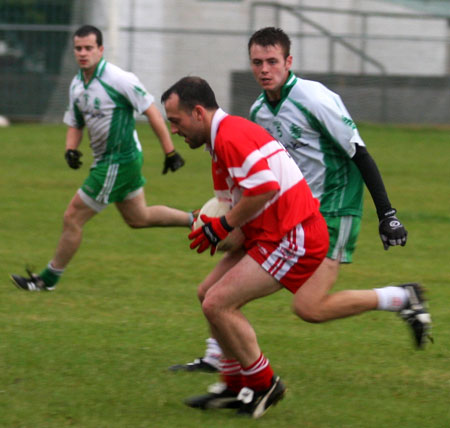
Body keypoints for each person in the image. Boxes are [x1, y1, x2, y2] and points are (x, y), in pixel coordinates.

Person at [161, 76, 430, 418]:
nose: (174, 130)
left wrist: (223, 226)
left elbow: (265, 190)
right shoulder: (220, 142)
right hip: (271, 230)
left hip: (294, 234)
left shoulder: (231, 136)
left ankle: (263, 385)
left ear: (198, 113)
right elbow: (234, 206)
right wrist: (217, 229)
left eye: (175, 121)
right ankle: (234, 385)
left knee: (221, 303)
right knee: (208, 293)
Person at [11, 25, 192, 291]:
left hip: (119, 161)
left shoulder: (119, 79)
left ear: (100, 50)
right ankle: (197, 219)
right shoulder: (76, 85)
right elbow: (75, 122)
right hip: (108, 162)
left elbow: (151, 112)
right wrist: (70, 149)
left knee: (72, 217)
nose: (83, 53)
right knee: (138, 218)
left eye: (88, 48)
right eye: (78, 48)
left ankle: (46, 280)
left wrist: (170, 152)